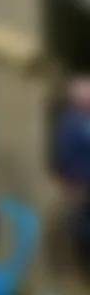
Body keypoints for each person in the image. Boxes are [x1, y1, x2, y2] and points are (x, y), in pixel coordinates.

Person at [53, 76, 90, 273]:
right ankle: (84, 269)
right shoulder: (70, 122)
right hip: (81, 181)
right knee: (82, 224)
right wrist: (71, 180)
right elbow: (65, 153)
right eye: (86, 94)